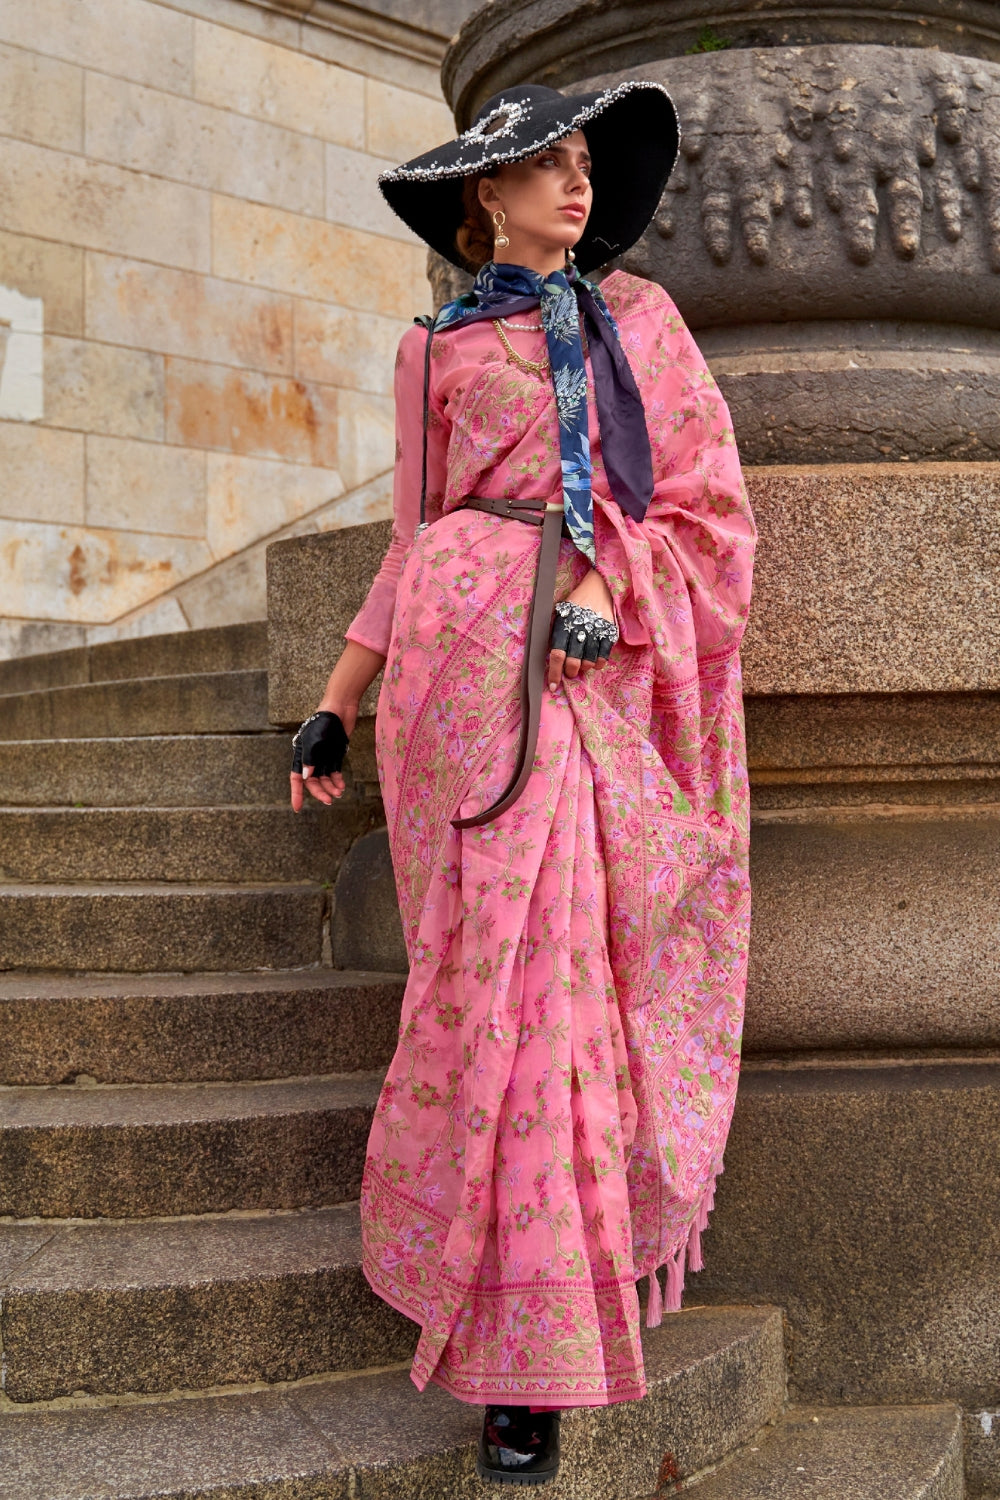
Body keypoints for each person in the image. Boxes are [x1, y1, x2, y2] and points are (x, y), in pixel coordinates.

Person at [290, 81, 756, 1486]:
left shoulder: (644, 326)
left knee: (546, 989)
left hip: (568, 666)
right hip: (442, 679)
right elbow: (410, 537)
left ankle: (529, 1367)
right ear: (480, 195)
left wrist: (610, 587)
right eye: (547, 167)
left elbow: (703, 507)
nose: (578, 186)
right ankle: (482, 1302)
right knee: (466, 988)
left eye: (582, 166)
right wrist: (332, 704)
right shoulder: (430, 346)